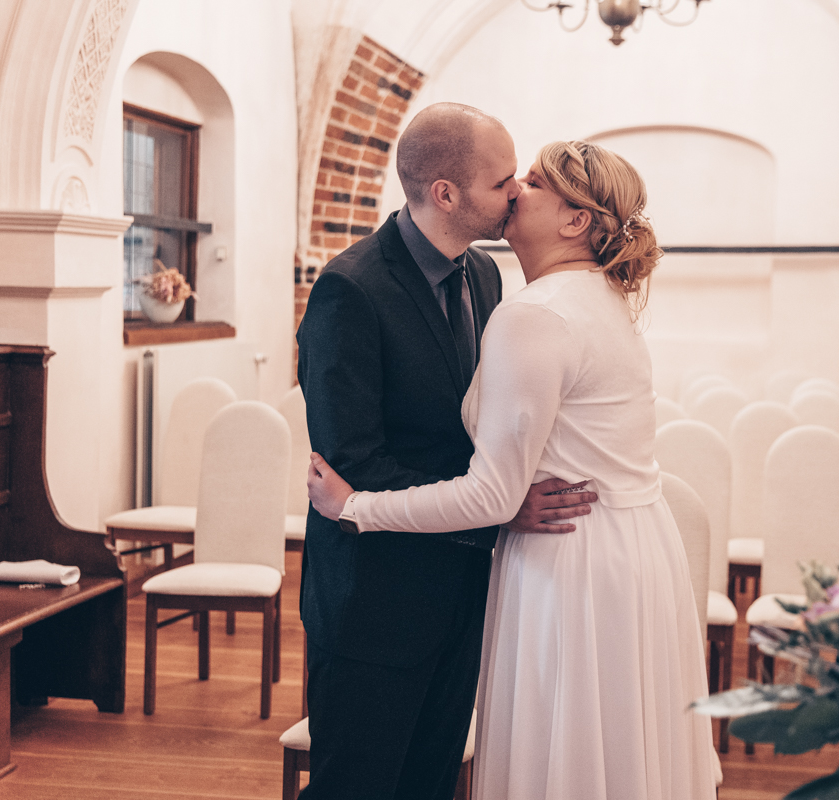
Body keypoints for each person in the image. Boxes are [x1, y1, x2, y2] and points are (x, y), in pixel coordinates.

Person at [308, 140, 718, 799]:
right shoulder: (586, 296)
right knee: (609, 756)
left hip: (571, 562)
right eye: (509, 177)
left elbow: (494, 491)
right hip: (614, 554)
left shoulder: (526, 304)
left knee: (567, 760)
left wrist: (356, 507)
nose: (515, 190)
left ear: (575, 220)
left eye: (529, 180)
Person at [296, 104, 597, 800]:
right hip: (377, 597)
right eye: (502, 181)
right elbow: (353, 464)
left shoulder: (484, 276)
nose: (518, 191)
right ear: (445, 195)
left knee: (431, 783)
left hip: (461, 589)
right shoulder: (351, 289)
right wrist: (495, 507)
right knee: (357, 785)